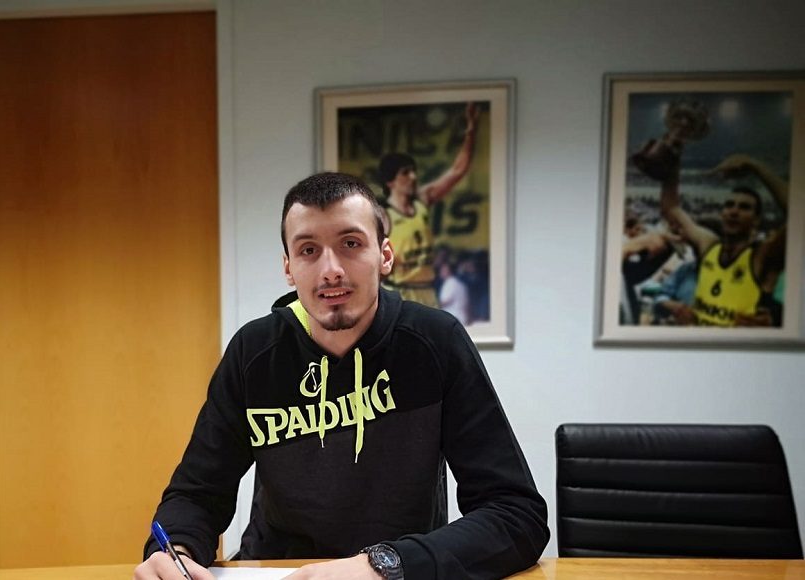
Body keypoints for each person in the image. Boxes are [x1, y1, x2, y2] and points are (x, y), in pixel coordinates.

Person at [134, 172, 548, 580]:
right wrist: (176, 551)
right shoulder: (253, 352)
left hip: (397, 574)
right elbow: (198, 494)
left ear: (385, 255)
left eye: (350, 244)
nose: (330, 270)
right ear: (289, 267)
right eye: (308, 250)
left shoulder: (435, 342)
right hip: (279, 573)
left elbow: (516, 515)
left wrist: (383, 565)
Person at [657, 152, 788, 327]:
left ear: (756, 220)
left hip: (739, 344)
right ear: (722, 213)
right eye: (729, 205)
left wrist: (754, 165)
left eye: (744, 207)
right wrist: (673, 158)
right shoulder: (709, 245)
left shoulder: (761, 256)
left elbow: (799, 212)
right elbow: (671, 208)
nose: (734, 211)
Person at [378, 103, 480, 307]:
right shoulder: (382, 214)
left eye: (413, 171)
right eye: (405, 173)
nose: (413, 177)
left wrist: (470, 131)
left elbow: (457, 171)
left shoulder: (422, 200)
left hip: (427, 291)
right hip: (398, 292)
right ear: (390, 181)